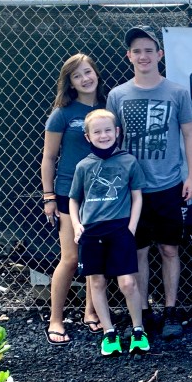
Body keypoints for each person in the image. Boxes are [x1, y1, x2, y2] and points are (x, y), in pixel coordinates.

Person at [106, 25, 192, 340]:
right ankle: (142, 312)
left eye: (148, 50)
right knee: (139, 252)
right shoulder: (117, 95)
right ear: (129, 56)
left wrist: (191, 176)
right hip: (133, 190)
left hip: (169, 185)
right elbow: (111, 140)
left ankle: (171, 310)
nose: (143, 56)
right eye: (137, 51)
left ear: (160, 54)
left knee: (169, 250)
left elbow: (189, 134)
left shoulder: (177, 92)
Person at [69, 109, 149, 356]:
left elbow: (137, 196)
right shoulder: (83, 166)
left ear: (116, 132)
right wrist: (76, 225)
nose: (103, 136)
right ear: (88, 137)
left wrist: (131, 227)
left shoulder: (128, 161)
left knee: (128, 283)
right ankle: (109, 333)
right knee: (97, 282)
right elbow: (73, 199)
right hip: (92, 232)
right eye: (97, 132)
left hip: (120, 229)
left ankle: (138, 330)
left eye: (107, 131)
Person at [41, 53, 105, 345]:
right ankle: (55, 319)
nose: (84, 79)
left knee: (96, 255)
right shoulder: (62, 114)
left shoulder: (108, 108)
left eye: (87, 72)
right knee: (71, 257)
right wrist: (49, 196)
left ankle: (91, 312)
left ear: (96, 74)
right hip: (70, 193)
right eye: (77, 75)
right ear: (70, 83)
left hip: (103, 194)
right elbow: (49, 157)